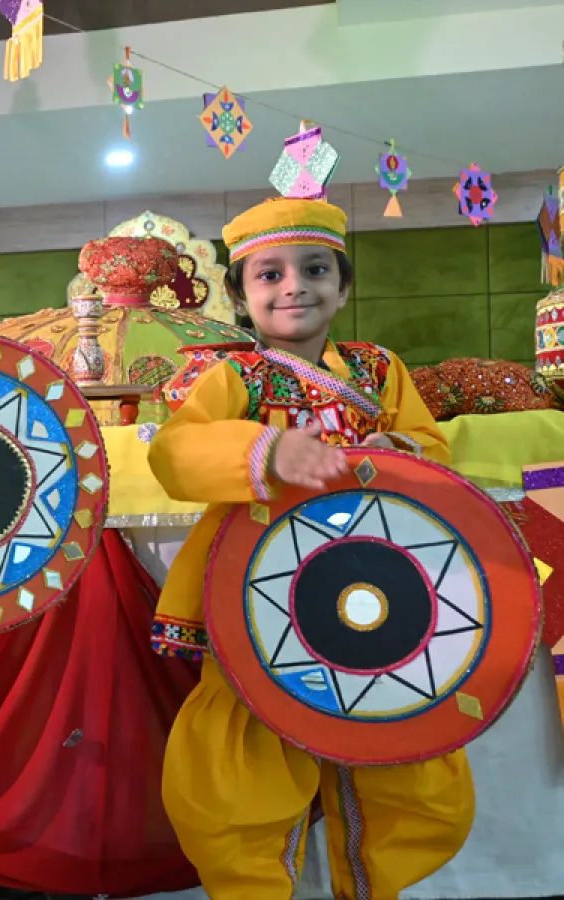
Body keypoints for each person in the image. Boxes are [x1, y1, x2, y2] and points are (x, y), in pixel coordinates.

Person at [146, 198, 473, 899]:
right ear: (240, 296)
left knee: (393, 750)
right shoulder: (232, 377)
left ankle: (374, 886)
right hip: (260, 598)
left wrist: (399, 450)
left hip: (375, 588)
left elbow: (432, 447)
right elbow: (175, 453)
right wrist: (267, 451)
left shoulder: (377, 370)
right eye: (269, 274)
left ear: (343, 286)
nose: (294, 286)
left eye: (315, 270)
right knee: (242, 774)